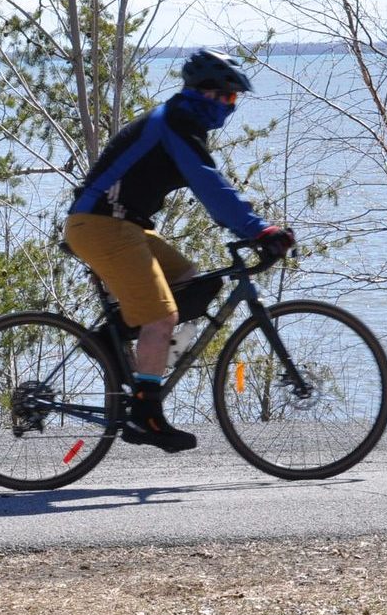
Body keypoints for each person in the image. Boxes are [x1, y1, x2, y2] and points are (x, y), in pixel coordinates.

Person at [63, 49, 295, 452]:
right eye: (228, 97)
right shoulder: (175, 123)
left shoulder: (179, 122)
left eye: (235, 100)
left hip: (118, 226)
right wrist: (260, 230)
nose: (231, 107)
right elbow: (211, 188)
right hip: (102, 225)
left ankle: (109, 341)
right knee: (161, 315)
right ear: (206, 93)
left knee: (190, 282)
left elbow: (211, 188)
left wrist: (253, 228)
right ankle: (146, 414)